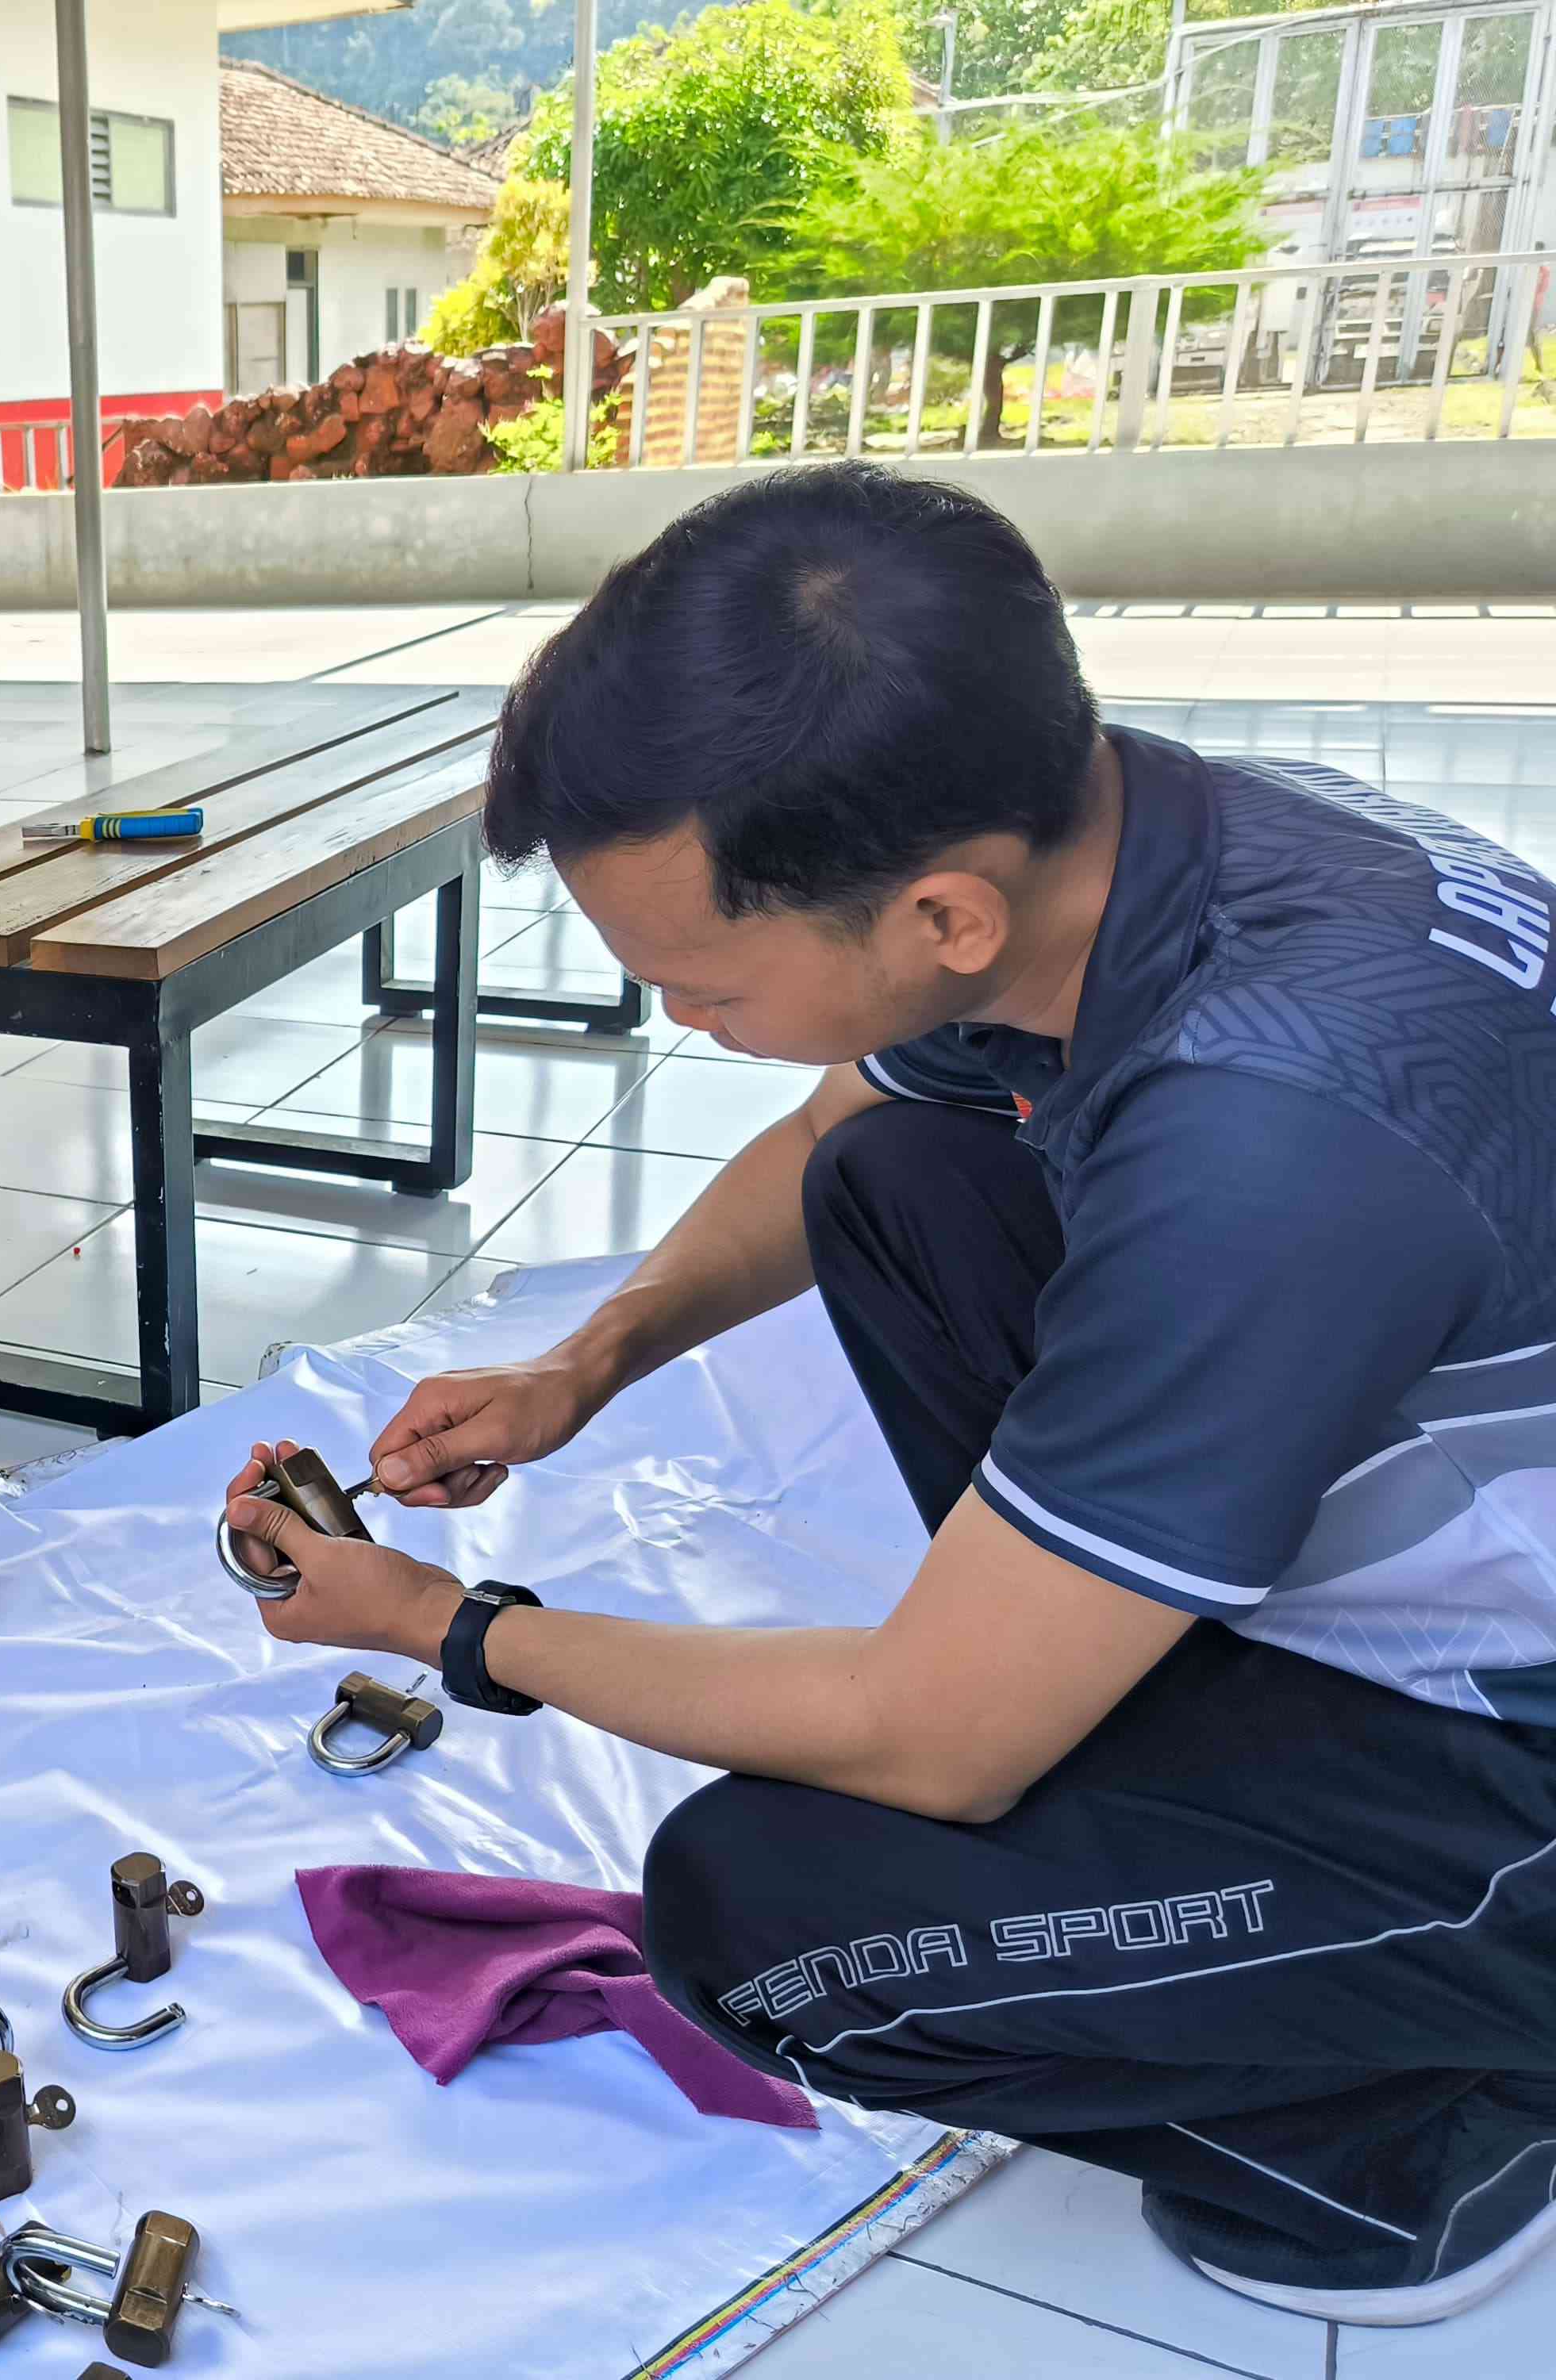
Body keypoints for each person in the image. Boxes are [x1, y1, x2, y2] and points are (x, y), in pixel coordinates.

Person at [223, 465, 1556, 2329]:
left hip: (1519, 1774)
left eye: (695, 982)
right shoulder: (1087, 836)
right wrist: (577, 1365)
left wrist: (450, 1628)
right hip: (1419, 1543)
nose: (682, 1019)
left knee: (760, 1924)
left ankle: (1409, 2146)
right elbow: (845, 1114)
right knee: (903, 1181)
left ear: (936, 912)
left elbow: (929, 1741)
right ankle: (1142, 1719)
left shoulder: (1268, 1138)